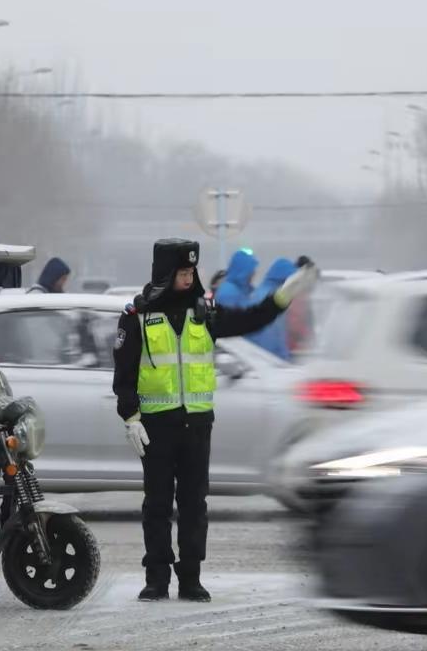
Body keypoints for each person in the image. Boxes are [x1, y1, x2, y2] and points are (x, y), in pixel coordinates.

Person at [113, 239, 317, 602]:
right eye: (182, 272)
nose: (189, 278)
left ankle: (191, 577)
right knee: (157, 504)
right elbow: (124, 374)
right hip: (156, 427)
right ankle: (156, 577)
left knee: (194, 505)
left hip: (196, 426)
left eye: (192, 272)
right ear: (165, 274)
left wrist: (281, 299)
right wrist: (130, 417)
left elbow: (250, 319)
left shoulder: (204, 313)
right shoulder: (137, 317)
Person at [245, 258, 298, 361]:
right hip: (268, 361)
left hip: (256, 358)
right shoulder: (272, 298)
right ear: (284, 279)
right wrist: (284, 359)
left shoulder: (259, 293)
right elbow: (270, 337)